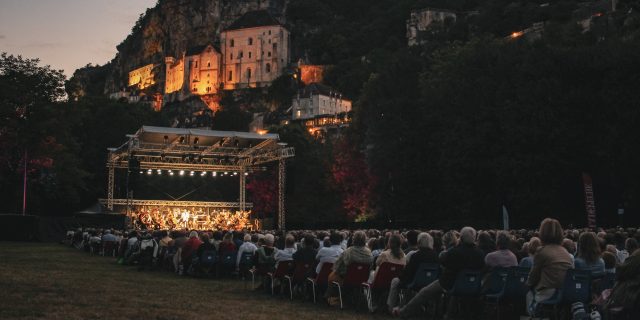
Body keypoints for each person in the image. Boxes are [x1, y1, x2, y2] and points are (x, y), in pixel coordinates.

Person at [393, 227, 485, 318]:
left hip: (449, 283)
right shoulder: (480, 254)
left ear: (461, 238)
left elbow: (443, 262)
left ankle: (404, 311)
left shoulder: (455, 252)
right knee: (454, 293)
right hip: (472, 285)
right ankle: (446, 314)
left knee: (424, 292)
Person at [526, 218, 573, 317]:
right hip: (564, 292)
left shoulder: (541, 251)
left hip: (548, 293)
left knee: (528, 294)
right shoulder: (565, 252)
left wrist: (528, 285)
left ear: (542, 232)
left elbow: (533, 277)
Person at [387, 232, 438, 311]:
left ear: (419, 243)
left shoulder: (416, 256)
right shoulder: (436, 256)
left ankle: (390, 307)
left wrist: (400, 276)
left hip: (415, 282)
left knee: (395, 281)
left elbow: (408, 272)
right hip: (431, 282)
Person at [326, 231, 373, 306]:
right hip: (362, 279)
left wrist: (336, 270)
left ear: (353, 239)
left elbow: (337, 266)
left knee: (331, 275)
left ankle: (328, 297)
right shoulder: (369, 252)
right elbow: (370, 266)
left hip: (346, 278)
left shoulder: (348, 251)